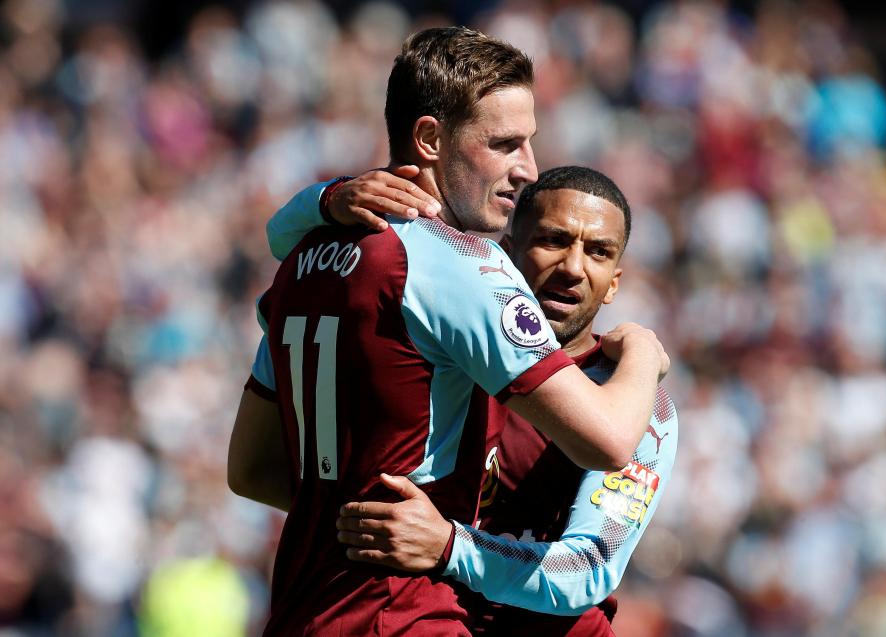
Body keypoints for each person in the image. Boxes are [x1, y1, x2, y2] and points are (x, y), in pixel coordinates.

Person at [227, 27, 669, 637]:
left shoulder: (303, 262)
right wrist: (645, 351)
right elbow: (611, 440)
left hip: (306, 608)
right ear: (431, 138)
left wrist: (323, 198)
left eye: (529, 144)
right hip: (400, 616)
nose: (527, 171)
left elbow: (251, 469)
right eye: (506, 145)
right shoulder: (460, 264)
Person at [269, 165, 679, 635]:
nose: (573, 267)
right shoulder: (437, 355)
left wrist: (450, 546)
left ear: (614, 283)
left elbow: (591, 568)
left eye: (598, 253)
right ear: (504, 255)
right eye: (553, 240)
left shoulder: (632, 403)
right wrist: (326, 199)